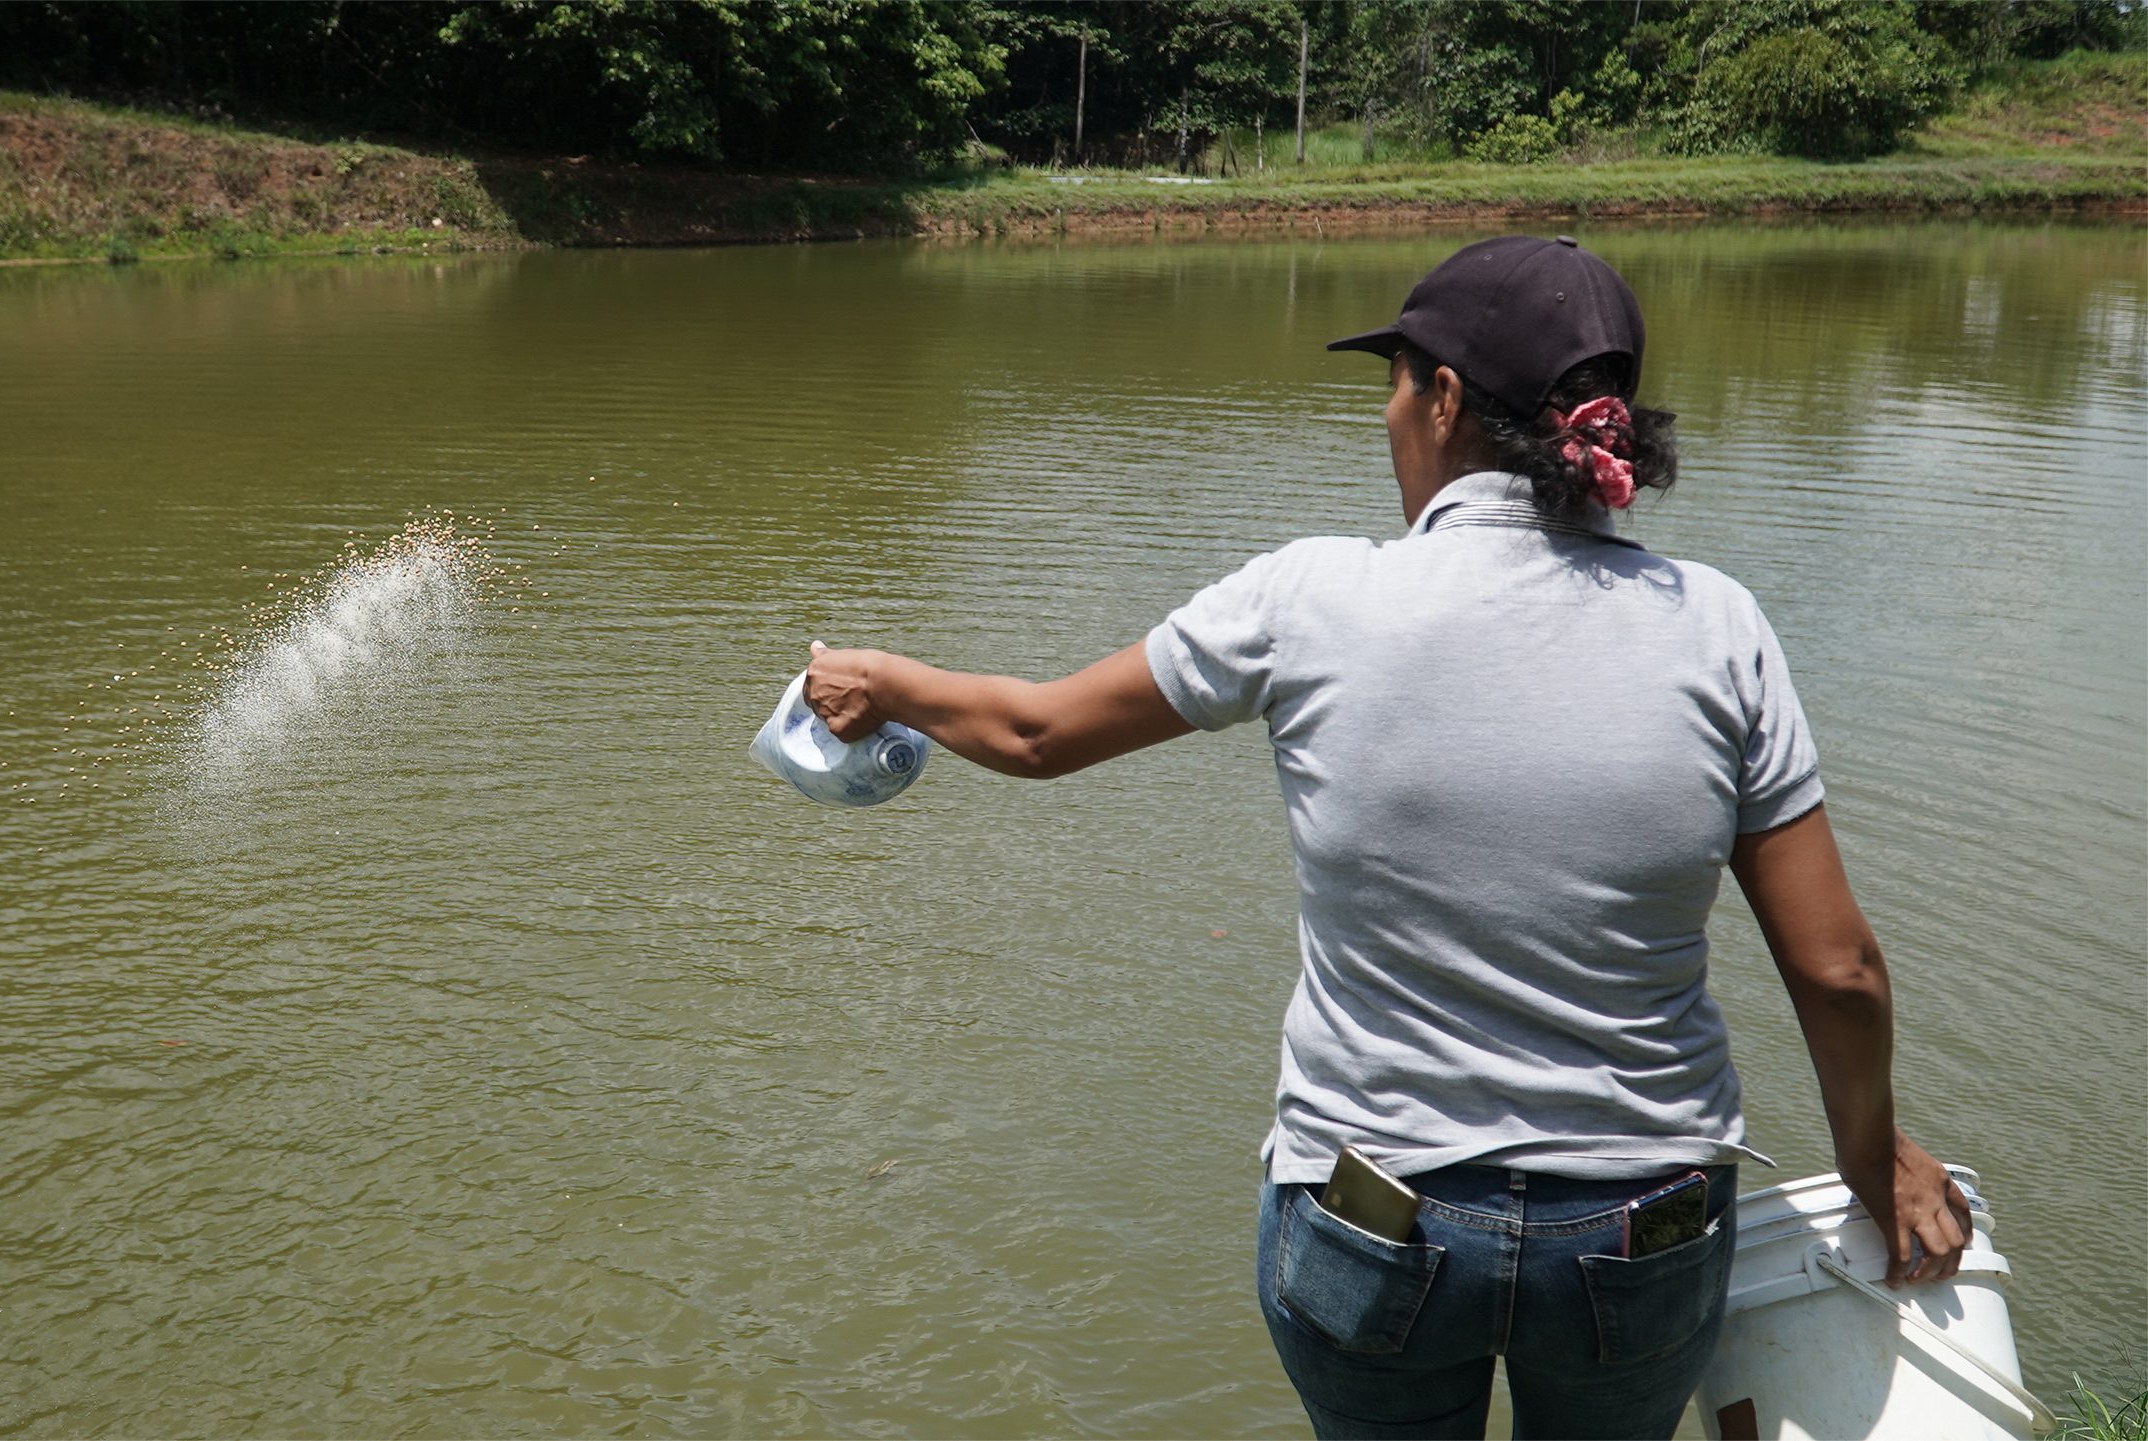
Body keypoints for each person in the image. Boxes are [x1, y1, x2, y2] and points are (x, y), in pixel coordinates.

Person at [801, 235, 1973, 1440]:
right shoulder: (1716, 623)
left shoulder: (1306, 600)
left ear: (1447, 398)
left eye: (1396, 381)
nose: (1387, 414)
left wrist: (887, 679)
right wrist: (1871, 1153)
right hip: (1643, 1227)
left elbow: (1034, 733)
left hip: (1376, 1220)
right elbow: (1838, 969)